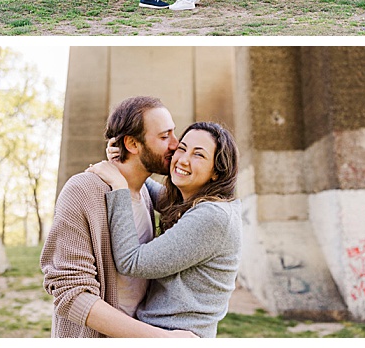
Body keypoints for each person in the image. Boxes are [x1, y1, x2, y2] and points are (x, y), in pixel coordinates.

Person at [42, 93, 197, 338]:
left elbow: (192, 205)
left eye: (173, 133)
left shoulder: (144, 193)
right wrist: (164, 339)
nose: (175, 144)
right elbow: (71, 296)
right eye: (164, 136)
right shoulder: (83, 191)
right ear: (132, 144)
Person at [88, 121, 242, 337]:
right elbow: (152, 190)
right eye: (182, 148)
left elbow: (132, 262)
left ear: (217, 171)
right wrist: (125, 163)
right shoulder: (194, 202)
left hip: (175, 336)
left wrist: (119, 186)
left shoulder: (213, 217)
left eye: (199, 155)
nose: (183, 160)